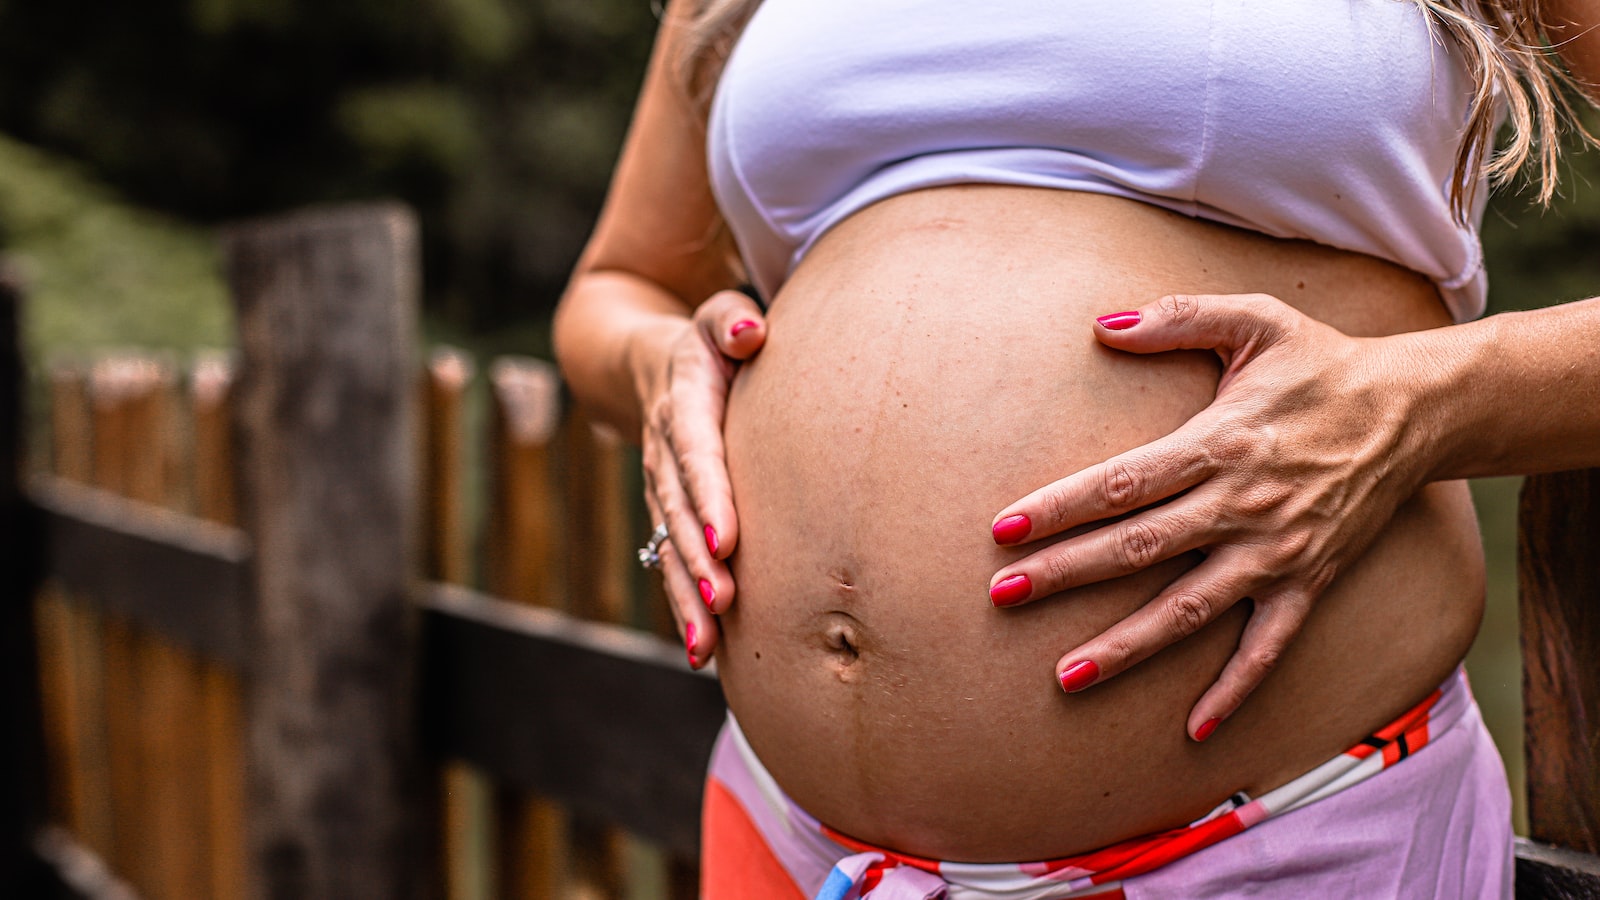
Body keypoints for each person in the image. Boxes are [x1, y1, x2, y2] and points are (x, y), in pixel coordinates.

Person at [553, 1, 1600, 896]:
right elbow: (618, 290)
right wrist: (661, 367)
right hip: (790, 837)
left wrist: (1416, 400)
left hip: (1276, 841)